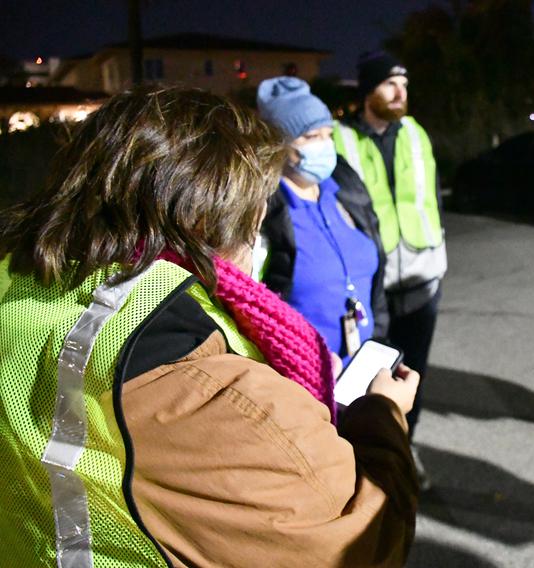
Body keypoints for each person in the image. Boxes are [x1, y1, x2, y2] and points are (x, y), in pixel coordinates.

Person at [0, 87, 420, 567]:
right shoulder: (205, 384)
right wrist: (383, 416)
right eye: (255, 213)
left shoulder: (19, 286)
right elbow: (357, 541)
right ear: (214, 221)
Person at [333, 51, 446, 439]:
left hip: (421, 277)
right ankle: (368, 450)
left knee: (414, 375)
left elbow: (431, 197)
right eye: (390, 84)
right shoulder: (340, 139)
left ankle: (405, 446)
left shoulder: (416, 133)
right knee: (366, 374)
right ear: (368, 91)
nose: (400, 93)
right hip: (370, 285)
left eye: (404, 85)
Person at [256, 76, 388, 364]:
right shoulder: (262, 213)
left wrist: (378, 339)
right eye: (311, 137)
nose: (325, 146)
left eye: (328, 134)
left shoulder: (344, 187)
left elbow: (374, 277)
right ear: (278, 145)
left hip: (364, 366)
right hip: (306, 381)